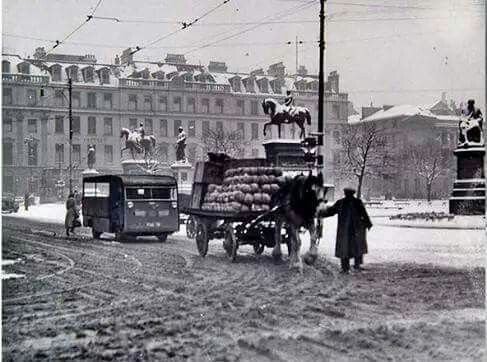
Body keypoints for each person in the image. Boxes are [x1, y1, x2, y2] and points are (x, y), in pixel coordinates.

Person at [321, 186, 372, 274]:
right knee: (357, 246)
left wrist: (320, 213)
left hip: (345, 230)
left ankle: (345, 267)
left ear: (345, 193)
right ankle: (356, 265)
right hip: (356, 229)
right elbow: (364, 214)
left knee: (344, 248)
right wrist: (368, 223)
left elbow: (331, 211)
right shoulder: (357, 202)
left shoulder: (341, 202)